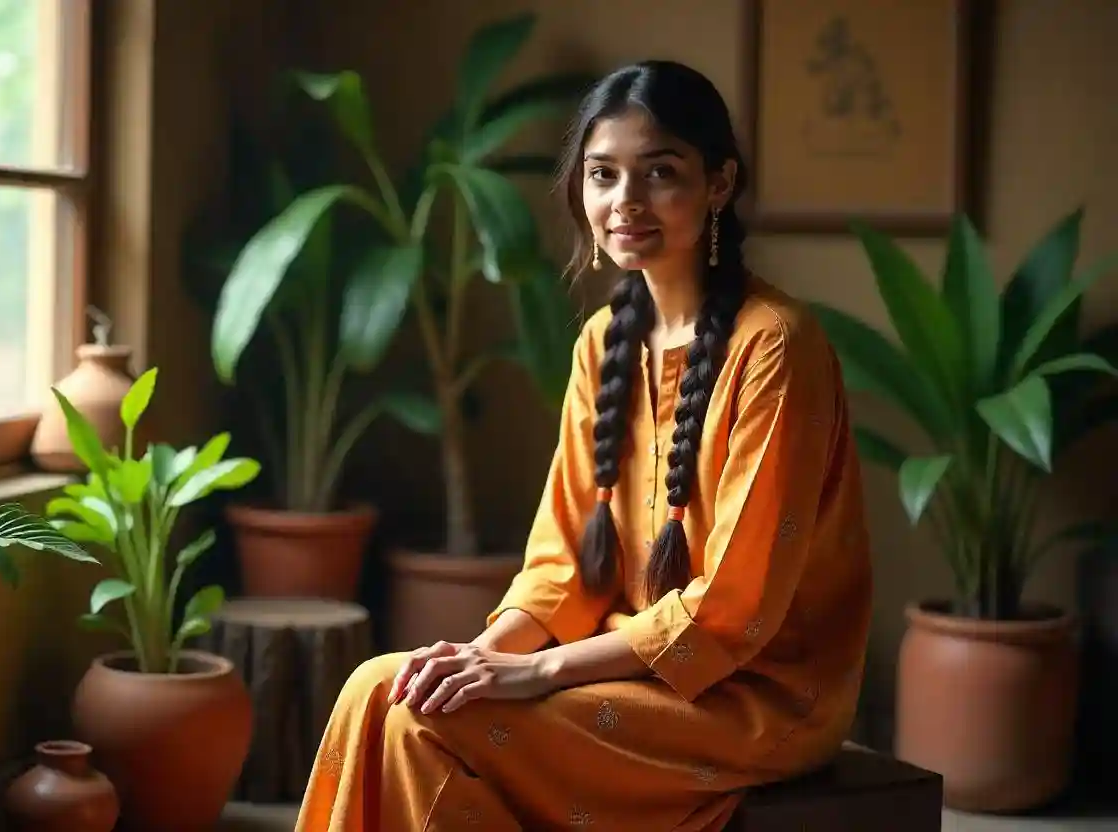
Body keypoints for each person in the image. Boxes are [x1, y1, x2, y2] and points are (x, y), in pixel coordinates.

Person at [294, 59, 873, 832]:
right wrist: (483, 656)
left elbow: (733, 609)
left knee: (422, 728)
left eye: (660, 172)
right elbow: (560, 566)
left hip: (755, 693)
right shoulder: (603, 342)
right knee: (384, 688)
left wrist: (538, 671)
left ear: (720, 185)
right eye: (603, 175)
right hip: (618, 665)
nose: (625, 202)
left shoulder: (775, 346)